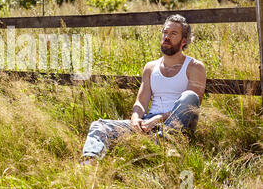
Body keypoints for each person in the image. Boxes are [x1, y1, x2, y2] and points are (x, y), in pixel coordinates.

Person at [81, 14, 207, 165]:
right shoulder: (150, 67)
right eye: (165, 32)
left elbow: (192, 106)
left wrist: (158, 119)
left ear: (184, 41)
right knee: (99, 125)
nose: (167, 37)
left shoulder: (194, 66)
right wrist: (136, 119)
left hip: (175, 125)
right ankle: (88, 165)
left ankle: (162, 142)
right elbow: (141, 101)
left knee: (189, 96)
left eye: (173, 34)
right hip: (148, 123)